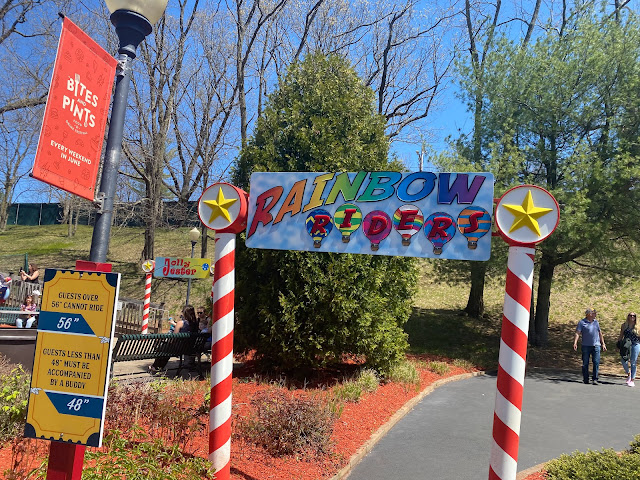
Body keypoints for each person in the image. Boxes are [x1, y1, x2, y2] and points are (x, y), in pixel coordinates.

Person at [149, 305, 199, 373]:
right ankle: (157, 367)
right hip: (189, 348)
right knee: (166, 349)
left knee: (164, 348)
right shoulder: (195, 323)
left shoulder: (180, 323)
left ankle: (156, 367)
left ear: (184, 313)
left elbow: (174, 337)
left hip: (178, 348)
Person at [573, 308, 607, 385]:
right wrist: (575, 343)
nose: (595, 314)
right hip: (586, 346)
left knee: (596, 362)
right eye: (594, 313)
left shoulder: (596, 322)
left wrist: (603, 343)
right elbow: (577, 333)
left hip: (596, 345)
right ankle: (586, 378)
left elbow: (600, 333)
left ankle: (595, 379)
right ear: (589, 314)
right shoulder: (582, 322)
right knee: (585, 362)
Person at [617, 312, 639, 387]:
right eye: (630, 315)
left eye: (634, 316)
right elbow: (621, 335)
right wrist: (618, 344)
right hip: (626, 345)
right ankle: (629, 373)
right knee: (623, 360)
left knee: (633, 362)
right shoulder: (624, 325)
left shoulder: (638, 326)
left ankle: (632, 380)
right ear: (628, 316)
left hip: (635, 344)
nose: (632, 317)